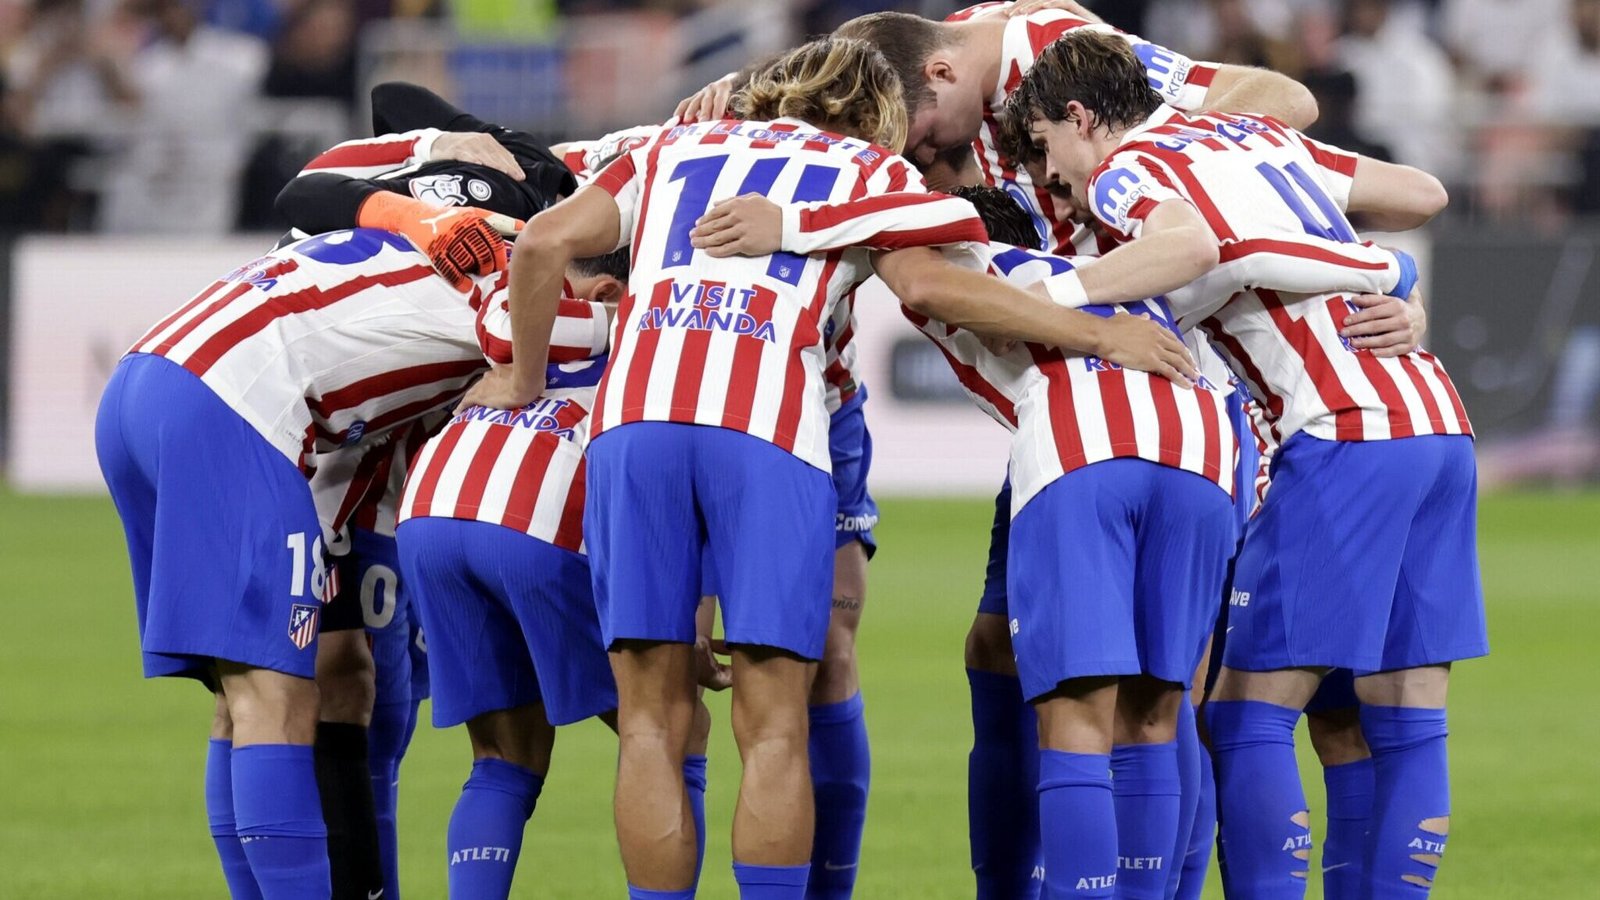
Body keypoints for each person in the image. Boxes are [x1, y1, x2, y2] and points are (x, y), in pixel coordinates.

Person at [464, 36, 1193, 900]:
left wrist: (525, 377)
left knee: (650, 726)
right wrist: (1101, 332)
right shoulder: (867, 171)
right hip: (768, 434)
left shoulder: (671, 146)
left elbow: (544, 242)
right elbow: (930, 284)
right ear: (875, 117)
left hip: (635, 432)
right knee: (773, 729)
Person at [1007, 30, 1484, 899]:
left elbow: (1202, 251)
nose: (1054, 179)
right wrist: (1390, 270)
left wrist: (1046, 297)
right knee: (1406, 718)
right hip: (1435, 420)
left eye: (1045, 147)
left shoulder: (1129, 169)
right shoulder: (1251, 134)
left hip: (1343, 429)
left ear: (1081, 119)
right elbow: (1421, 190)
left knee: (1246, 713)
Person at [94, 192, 508, 898]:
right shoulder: (540, 290)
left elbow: (338, 189)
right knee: (277, 698)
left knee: (239, 695)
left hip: (145, 380)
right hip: (233, 406)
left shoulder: (419, 237)